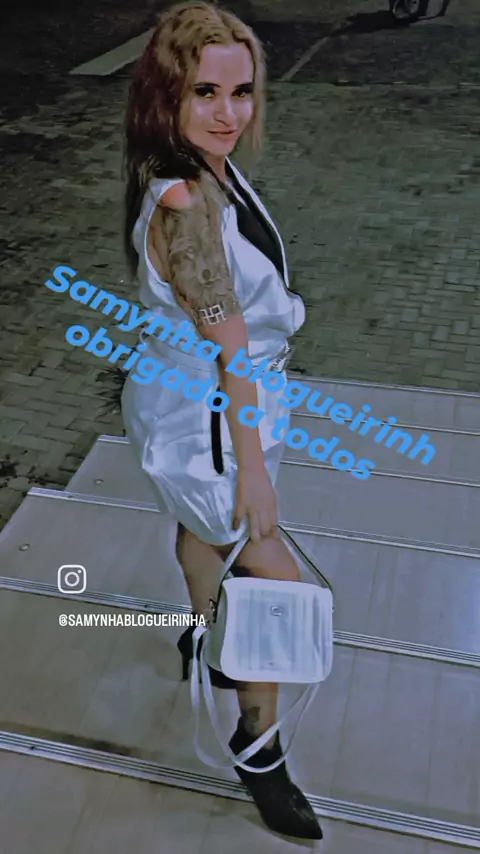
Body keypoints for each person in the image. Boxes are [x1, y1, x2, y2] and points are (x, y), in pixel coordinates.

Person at [121, 0, 322, 841]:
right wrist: (255, 471)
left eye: (241, 92)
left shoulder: (201, 169)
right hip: (208, 417)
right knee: (275, 583)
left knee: (203, 536)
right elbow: (231, 350)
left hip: (201, 398)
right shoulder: (186, 205)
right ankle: (257, 743)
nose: (229, 113)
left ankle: (203, 636)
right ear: (167, 93)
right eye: (205, 92)